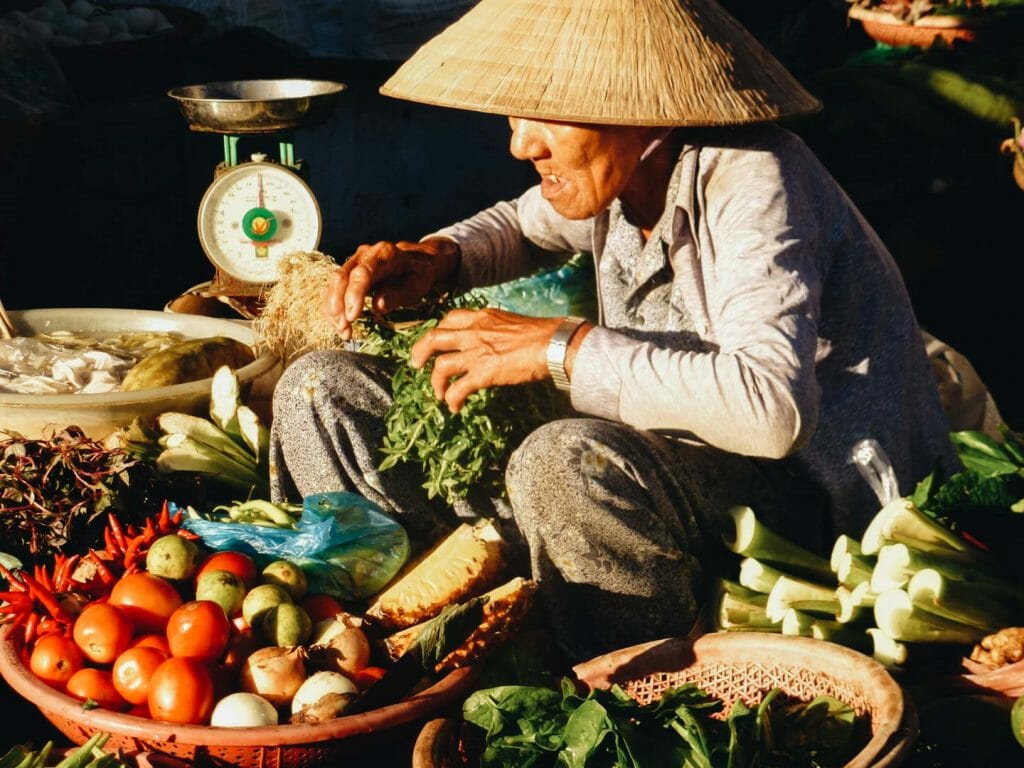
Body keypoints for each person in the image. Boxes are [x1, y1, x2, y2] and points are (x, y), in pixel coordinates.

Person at [269, 0, 958, 660]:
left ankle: (621, 680)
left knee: (565, 461)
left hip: (808, 512)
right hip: (666, 472)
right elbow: (520, 225)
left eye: (550, 114)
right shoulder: (621, 168)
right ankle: (416, 622)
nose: (520, 141)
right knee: (321, 390)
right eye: (518, 109)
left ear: (641, 105)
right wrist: (439, 259)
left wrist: (558, 347)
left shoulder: (753, 179)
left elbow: (773, 410)